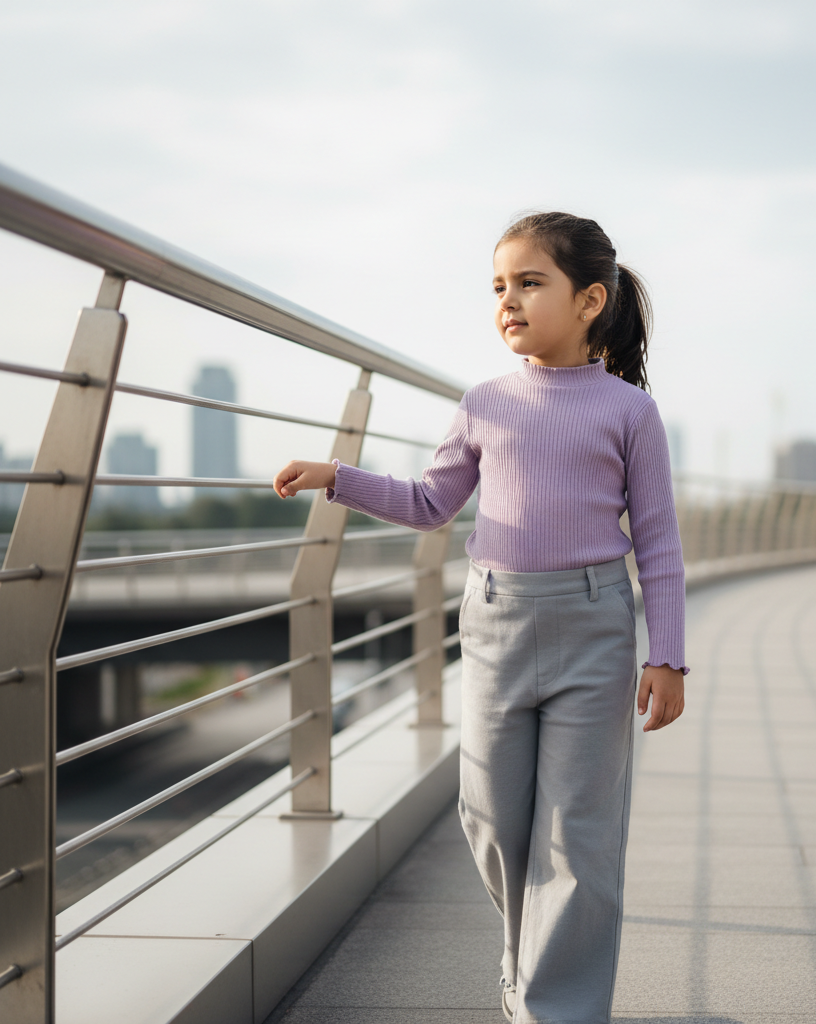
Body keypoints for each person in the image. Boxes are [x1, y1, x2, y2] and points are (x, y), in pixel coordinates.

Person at [273, 211, 687, 1024]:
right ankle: (527, 964)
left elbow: (662, 546)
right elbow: (431, 503)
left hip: (595, 628)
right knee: (490, 814)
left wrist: (666, 655)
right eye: (499, 286)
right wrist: (339, 476)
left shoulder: (628, 412)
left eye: (530, 282)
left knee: (580, 832)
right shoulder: (484, 404)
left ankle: (558, 1009)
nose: (509, 301)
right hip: (496, 626)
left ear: (590, 299)